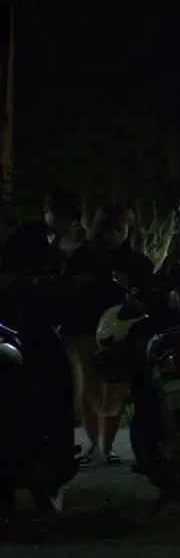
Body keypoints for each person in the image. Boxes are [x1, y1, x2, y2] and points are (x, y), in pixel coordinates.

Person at [0, 188, 84, 524]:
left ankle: (56, 450)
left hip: (32, 326)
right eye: (64, 217)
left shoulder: (58, 246)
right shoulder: (22, 239)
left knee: (57, 379)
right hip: (16, 325)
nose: (66, 225)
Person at [62, 203, 155, 465]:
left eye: (120, 227)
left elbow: (148, 293)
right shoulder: (82, 257)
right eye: (110, 227)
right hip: (84, 330)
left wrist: (133, 288)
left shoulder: (137, 260)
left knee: (115, 388)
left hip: (121, 331)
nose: (116, 233)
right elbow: (66, 291)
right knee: (90, 388)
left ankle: (107, 446)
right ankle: (97, 443)